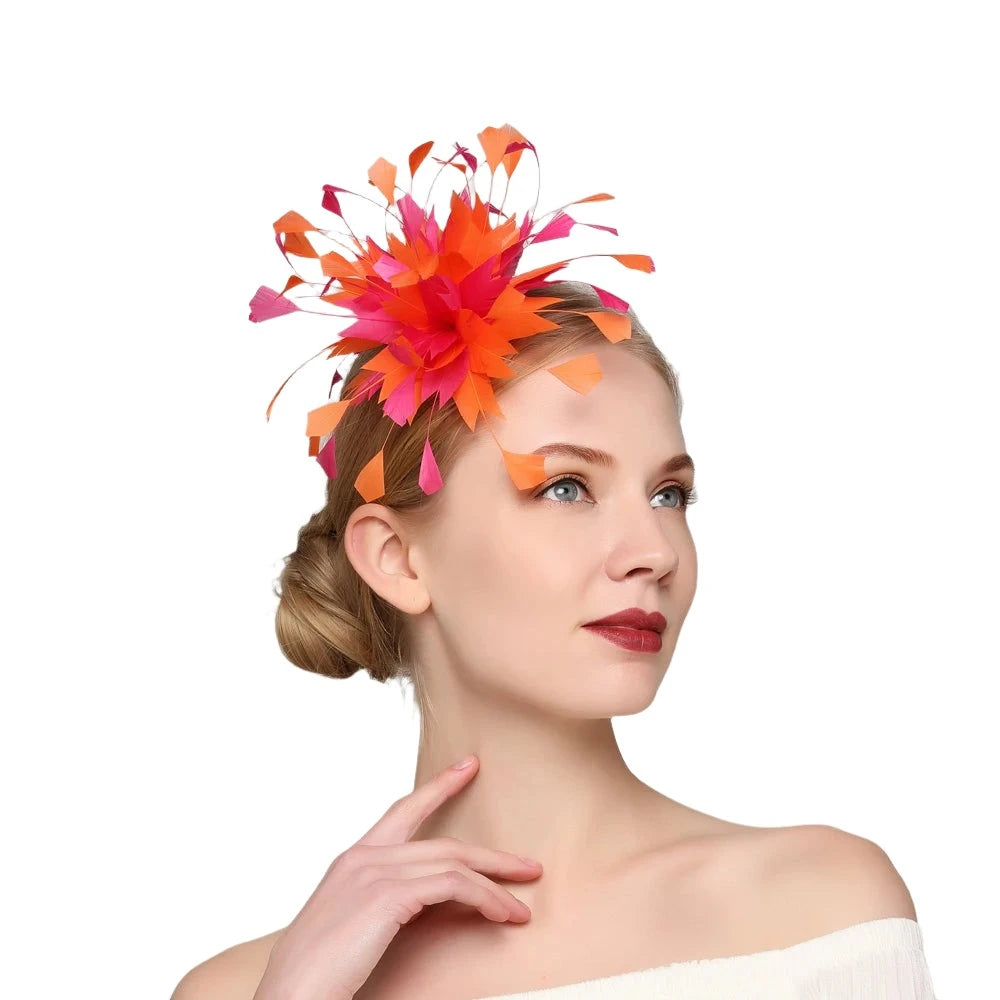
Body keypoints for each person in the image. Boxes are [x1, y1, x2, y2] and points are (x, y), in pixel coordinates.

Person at [171, 126, 937, 999]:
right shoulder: (244, 988)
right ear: (397, 558)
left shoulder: (821, 913)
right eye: (567, 487)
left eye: (669, 494)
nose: (654, 553)